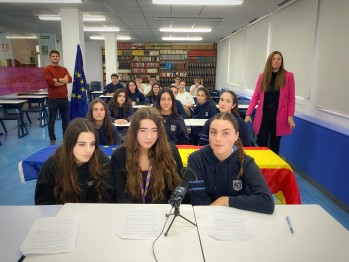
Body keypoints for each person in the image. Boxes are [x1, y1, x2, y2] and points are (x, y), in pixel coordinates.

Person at [188, 113, 275, 214]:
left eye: (225, 133)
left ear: (236, 136)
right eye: (213, 132)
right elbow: (200, 205)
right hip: (207, 219)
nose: (218, 139)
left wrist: (225, 201)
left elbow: (267, 202)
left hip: (239, 217)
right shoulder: (196, 159)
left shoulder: (245, 162)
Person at [111, 107, 182, 203]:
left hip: (162, 213)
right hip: (131, 213)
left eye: (154, 130)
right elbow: (120, 196)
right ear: (134, 131)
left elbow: (178, 189)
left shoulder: (171, 152)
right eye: (143, 130)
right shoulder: (119, 155)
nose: (149, 136)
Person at [35, 118, 113, 205]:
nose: (88, 150)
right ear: (70, 143)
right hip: (62, 215)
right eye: (82, 144)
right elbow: (42, 204)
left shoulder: (102, 162)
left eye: (92, 144)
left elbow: (108, 199)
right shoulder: (52, 165)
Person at [245, 51, 295, 154]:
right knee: (261, 141)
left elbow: (291, 98)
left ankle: (274, 166)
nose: (276, 61)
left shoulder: (288, 76)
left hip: (279, 116)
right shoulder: (262, 76)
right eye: (273, 59)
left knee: (275, 144)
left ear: (281, 62)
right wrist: (248, 113)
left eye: (278, 59)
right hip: (264, 116)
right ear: (269, 61)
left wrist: (290, 116)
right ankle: (265, 163)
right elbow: (256, 96)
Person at [43, 49, 72, 145]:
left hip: (64, 99)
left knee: (65, 120)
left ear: (59, 57)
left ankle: (66, 138)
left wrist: (57, 80)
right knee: (52, 120)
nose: (55, 58)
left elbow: (69, 80)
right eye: (53, 56)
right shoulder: (47, 69)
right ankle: (52, 138)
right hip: (53, 99)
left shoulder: (63, 69)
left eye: (57, 56)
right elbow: (50, 82)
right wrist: (63, 81)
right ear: (50, 58)